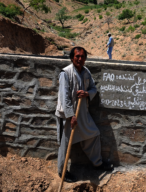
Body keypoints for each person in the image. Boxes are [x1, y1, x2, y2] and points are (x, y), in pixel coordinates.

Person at [55, 47, 113, 183]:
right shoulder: (66, 73)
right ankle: (62, 172)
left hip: (82, 112)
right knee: (65, 144)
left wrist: (87, 94)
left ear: (85, 58)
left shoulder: (86, 72)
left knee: (93, 134)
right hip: (67, 115)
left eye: (82, 56)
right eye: (77, 56)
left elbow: (93, 88)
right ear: (72, 58)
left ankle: (97, 163)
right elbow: (65, 98)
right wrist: (70, 115)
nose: (80, 59)